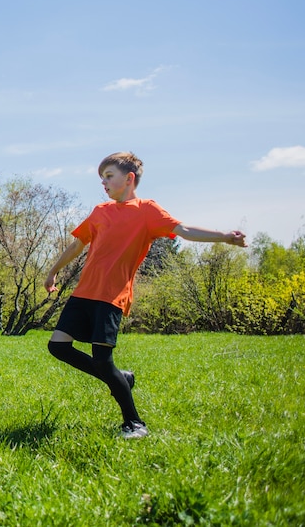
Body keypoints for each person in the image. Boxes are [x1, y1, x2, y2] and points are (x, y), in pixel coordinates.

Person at [44, 152, 247, 439]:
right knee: (58, 346)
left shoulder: (147, 210)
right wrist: (53, 271)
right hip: (84, 292)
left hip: (112, 296)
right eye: (101, 178)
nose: (103, 182)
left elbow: (185, 230)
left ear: (129, 179)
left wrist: (225, 236)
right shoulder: (100, 211)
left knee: (102, 360)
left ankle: (134, 423)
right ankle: (121, 379)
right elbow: (77, 245)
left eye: (109, 176)